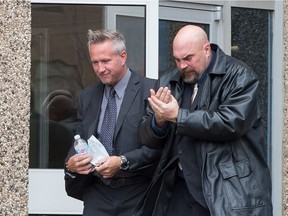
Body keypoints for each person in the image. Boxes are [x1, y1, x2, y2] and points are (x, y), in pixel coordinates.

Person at [133, 25, 273, 216]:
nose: (182, 65)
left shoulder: (239, 75)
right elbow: (146, 137)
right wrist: (158, 121)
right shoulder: (168, 80)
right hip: (177, 190)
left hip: (225, 190)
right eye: (177, 59)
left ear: (206, 49)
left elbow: (231, 123)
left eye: (188, 58)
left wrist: (177, 115)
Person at [64, 29, 161, 216]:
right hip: (97, 194)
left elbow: (159, 147)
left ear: (123, 57)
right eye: (95, 62)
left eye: (106, 61)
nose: (100, 69)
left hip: (138, 194)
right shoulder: (87, 97)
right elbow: (79, 140)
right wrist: (71, 164)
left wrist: (122, 162)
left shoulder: (150, 90)